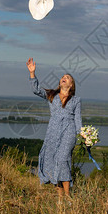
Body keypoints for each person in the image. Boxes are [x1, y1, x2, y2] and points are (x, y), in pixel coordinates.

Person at [26, 57, 82, 199]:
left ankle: (68, 196)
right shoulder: (52, 95)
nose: (64, 78)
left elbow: (77, 119)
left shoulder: (76, 100)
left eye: (67, 77)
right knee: (53, 160)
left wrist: (82, 135)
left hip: (68, 130)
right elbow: (35, 89)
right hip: (53, 130)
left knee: (63, 159)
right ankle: (60, 199)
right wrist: (32, 73)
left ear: (71, 84)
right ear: (60, 82)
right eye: (62, 77)